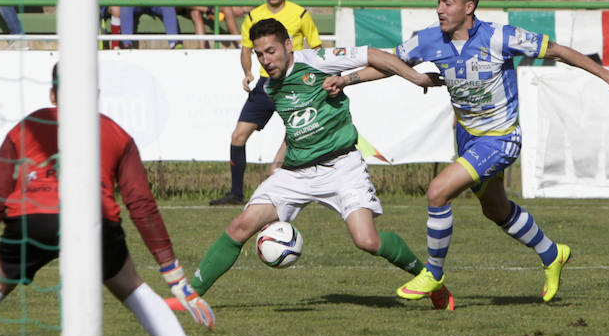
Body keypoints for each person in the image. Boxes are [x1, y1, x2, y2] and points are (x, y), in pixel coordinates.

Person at [326, 0, 609, 305]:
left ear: (469, 6)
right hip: (468, 137)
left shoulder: (500, 37)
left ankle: (434, 273)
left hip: (501, 138)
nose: (439, 9)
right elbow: (391, 62)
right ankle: (552, 254)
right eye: (437, 2)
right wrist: (347, 79)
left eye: (447, 2)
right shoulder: (430, 40)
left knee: (437, 192)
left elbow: (559, 51)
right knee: (496, 209)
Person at [0, 64, 217, 336]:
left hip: (32, 221)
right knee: (131, 287)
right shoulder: (116, 132)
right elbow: (141, 205)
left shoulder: (25, 127)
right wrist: (174, 276)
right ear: (95, 95)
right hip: (93, 221)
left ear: (53, 94)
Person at [172, 18, 455, 311]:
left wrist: (416, 78)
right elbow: (286, 122)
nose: (266, 60)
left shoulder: (317, 60)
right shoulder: (267, 88)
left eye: (271, 51)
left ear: (288, 45)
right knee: (240, 226)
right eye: (259, 54)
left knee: (367, 241)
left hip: (342, 167)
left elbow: (373, 54)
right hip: (295, 174)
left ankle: (430, 280)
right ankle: (190, 296)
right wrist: (279, 159)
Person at [210, 0, 322, 206]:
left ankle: (291, 182)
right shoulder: (253, 16)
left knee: (296, 133)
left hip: (294, 83)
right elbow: (246, 49)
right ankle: (236, 194)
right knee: (238, 136)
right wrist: (248, 72)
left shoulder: (300, 14)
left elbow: (317, 48)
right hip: (265, 84)